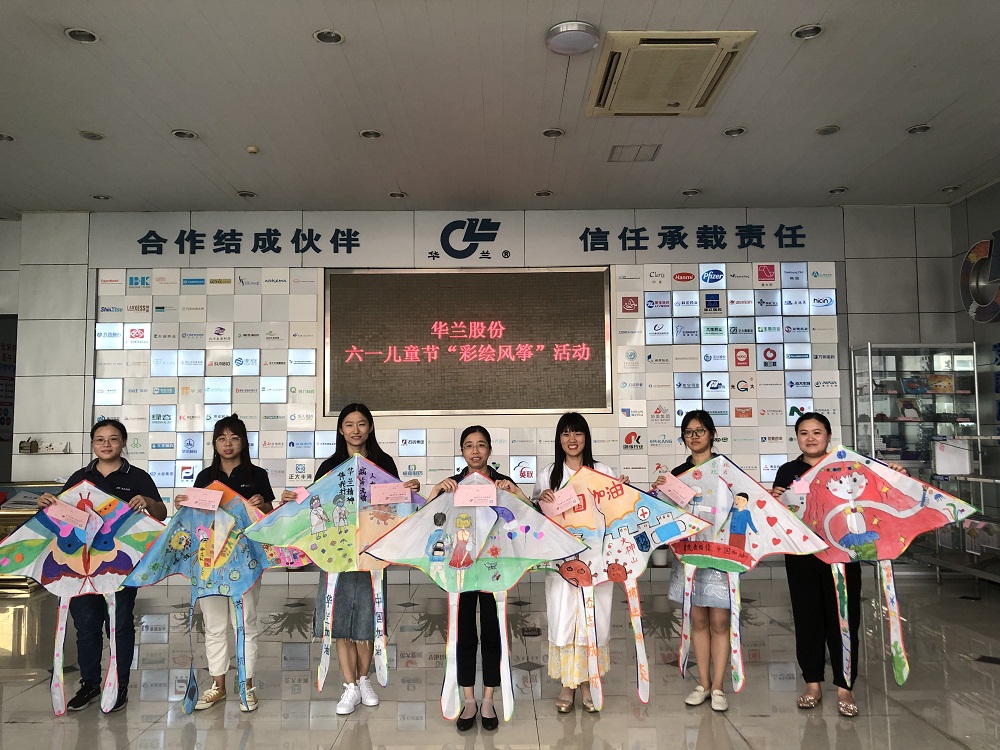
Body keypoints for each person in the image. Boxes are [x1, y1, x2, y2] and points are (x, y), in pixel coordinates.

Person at [279, 403, 419, 715]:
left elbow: (396, 508)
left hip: (372, 555)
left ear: (370, 428)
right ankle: (350, 686)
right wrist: (292, 500)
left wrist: (410, 491)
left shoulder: (384, 463)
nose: (356, 430)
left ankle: (365, 680)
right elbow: (314, 507)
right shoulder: (329, 467)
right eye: (349, 425)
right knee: (339, 619)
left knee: (368, 619)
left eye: (362, 424)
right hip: (336, 556)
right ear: (341, 430)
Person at [771, 412, 906, 718]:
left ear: (828, 436)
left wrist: (896, 473)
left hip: (844, 557)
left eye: (817, 432)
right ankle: (812, 684)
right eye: (804, 433)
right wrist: (775, 499)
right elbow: (781, 517)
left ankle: (845, 687)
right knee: (807, 620)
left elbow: (880, 488)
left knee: (844, 619)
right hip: (802, 557)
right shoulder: (787, 471)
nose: (810, 438)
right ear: (797, 438)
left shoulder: (847, 467)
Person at [37, 418, 166, 713]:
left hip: (121, 565)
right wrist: (47, 503)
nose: (106, 444)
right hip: (80, 566)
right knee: (86, 625)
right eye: (100, 439)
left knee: (119, 625)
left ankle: (119, 685)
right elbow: (62, 516)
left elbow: (160, 512)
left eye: (113, 439)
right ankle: (90, 684)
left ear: (123, 443)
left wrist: (147, 501)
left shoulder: (137, 477)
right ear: (93, 444)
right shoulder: (81, 477)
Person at [427, 425, 529, 731]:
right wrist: (436, 491)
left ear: (489, 450)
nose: (475, 450)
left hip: (495, 570)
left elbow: (527, 519)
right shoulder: (453, 485)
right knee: (464, 633)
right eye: (469, 445)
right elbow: (430, 520)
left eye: (481, 445)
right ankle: (468, 699)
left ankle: (488, 699)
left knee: (493, 633)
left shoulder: (502, 483)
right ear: (462, 451)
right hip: (460, 570)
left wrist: (517, 493)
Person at [174, 414, 273, 712]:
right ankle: (217, 686)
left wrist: (262, 504)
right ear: (214, 444)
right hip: (210, 562)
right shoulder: (205, 477)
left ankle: (247, 686)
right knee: (215, 625)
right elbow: (194, 519)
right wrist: (182, 504)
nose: (227, 444)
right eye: (221, 438)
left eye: (234, 438)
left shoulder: (257, 474)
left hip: (246, 560)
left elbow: (269, 512)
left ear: (244, 442)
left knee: (245, 624)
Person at [532, 412, 624, 714]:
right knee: (564, 619)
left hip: (596, 560)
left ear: (586, 437)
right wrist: (541, 500)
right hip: (562, 562)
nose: (572, 439)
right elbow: (537, 518)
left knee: (591, 620)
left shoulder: (603, 471)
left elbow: (616, 513)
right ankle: (567, 685)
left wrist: (623, 492)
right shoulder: (548, 475)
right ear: (559, 439)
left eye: (578, 433)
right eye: (566, 433)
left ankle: (588, 682)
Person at [654, 409, 730, 712]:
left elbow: (741, 506)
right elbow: (667, 517)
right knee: (697, 620)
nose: (694, 436)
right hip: (690, 556)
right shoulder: (678, 475)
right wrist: (660, 492)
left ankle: (719, 687)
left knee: (720, 622)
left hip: (721, 556)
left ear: (711, 434)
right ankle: (704, 684)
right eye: (688, 432)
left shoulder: (726, 470)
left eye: (700, 431)